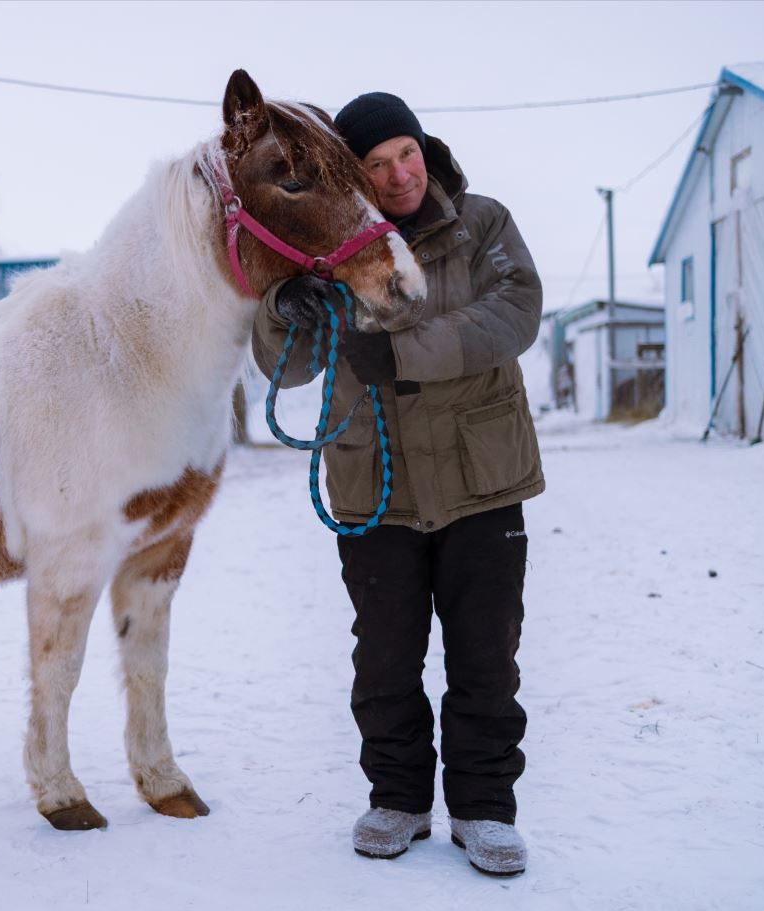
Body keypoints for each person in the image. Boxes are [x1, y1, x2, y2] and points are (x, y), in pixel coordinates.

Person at [250, 92, 544, 876]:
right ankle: (398, 799)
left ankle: (484, 809)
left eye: (405, 153)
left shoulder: (482, 223)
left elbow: (515, 313)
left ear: (424, 147)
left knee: (485, 655)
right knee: (384, 659)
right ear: (356, 175)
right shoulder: (328, 248)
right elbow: (288, 364)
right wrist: (283, 305)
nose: (399, 173)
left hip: (482, 478)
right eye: (376, 164)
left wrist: (405, 354)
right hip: (372, 482)